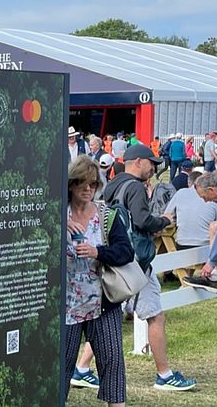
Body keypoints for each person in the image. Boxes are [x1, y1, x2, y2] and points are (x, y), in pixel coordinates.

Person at [102, 144, 196, 391]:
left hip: (120, 259)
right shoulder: (134, 186)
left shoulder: (114, 185)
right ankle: (164, 375)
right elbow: (143, 220)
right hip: (137, 262)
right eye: (150, 163)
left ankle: (81, 368)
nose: (154, 168)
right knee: (155, 314)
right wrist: (163, 220)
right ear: (138, 162)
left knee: (109, 314)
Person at [65, 155, 133, 406]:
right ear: (71, 184)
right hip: (66, 304)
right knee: (61, 365)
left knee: (112, 361)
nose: (88, 189)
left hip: (102, 301)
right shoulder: (57, 212)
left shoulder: (107, 214)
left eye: (93, 184)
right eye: (82, 183)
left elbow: (126, 252)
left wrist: (97, 252)